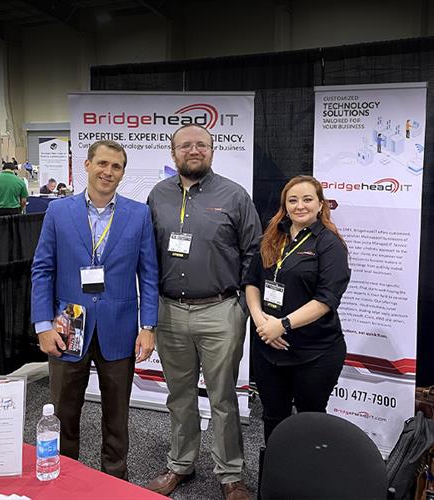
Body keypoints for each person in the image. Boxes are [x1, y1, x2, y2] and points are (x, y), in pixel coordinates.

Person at [31, 140, 158, 480]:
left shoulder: (139, 214)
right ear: (86, 165)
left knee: (117, 415)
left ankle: (115, 479)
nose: (108, 172)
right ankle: (63, 478)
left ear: (123, 173)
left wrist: (148, 326)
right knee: (63, 413)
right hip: (67, 327)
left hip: (119, 328)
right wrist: (42, 325)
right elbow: (42, 269)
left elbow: (148, 275)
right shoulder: (59, 212)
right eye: (102, 163)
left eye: (116, 166)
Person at [146, 124, 261, 500]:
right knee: (179, 395)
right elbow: (148, 254)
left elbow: (254, 252)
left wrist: (240, 307)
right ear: (173, 152)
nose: (193, 150)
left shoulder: (234, 195)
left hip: (220, 311)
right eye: (185, 145)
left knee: (223, 398)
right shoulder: (157, 195)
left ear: (212, 151)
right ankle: (180, 464)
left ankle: (231, 474)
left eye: (201, 145)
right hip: (170, 312)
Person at [243, 175, 350, 445]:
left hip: (313, 353)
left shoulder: (329, 244)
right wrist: (260, 321)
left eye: (307, 199)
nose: (299, 205)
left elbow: (326, 299)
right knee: (273, 418)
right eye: (293, 200)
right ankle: (275, 472)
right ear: (285, 206)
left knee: (309, 422)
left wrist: (282, 325)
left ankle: (309, 471)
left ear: (320, 204)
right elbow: (252, 282)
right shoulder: (272, 237)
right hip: (268, 348)